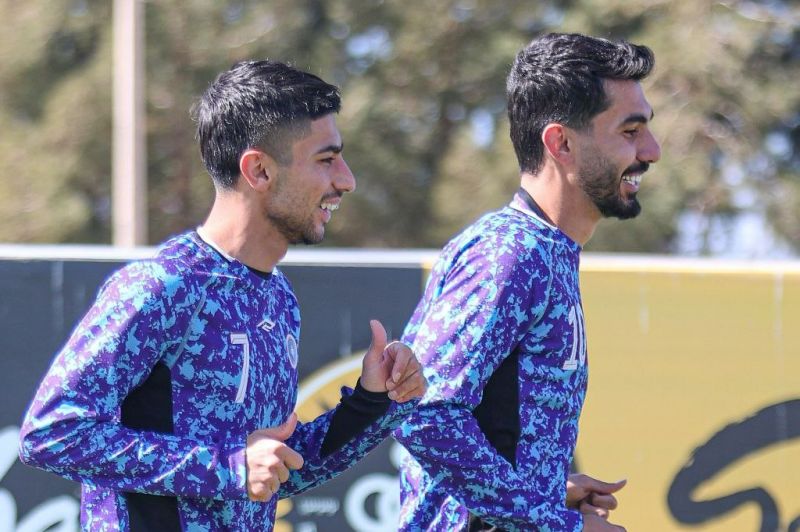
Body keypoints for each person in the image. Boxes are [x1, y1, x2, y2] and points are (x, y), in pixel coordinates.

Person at [18, 60, 426, 531]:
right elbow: (51, 433)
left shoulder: (278, 298)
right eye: (326, 160)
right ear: (259, 170)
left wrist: (373, 401)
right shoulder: (164, 285)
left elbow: (274, 472)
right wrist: (228, 468)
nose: (346, 180)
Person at [393, 32, 661, 531]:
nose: (652, 150)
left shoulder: (546, 250)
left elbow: (491, 429)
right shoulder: (509, 252)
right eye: (630, 131)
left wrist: (546, 490)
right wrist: (561, 524)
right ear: (561, 143)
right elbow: (420, 414)